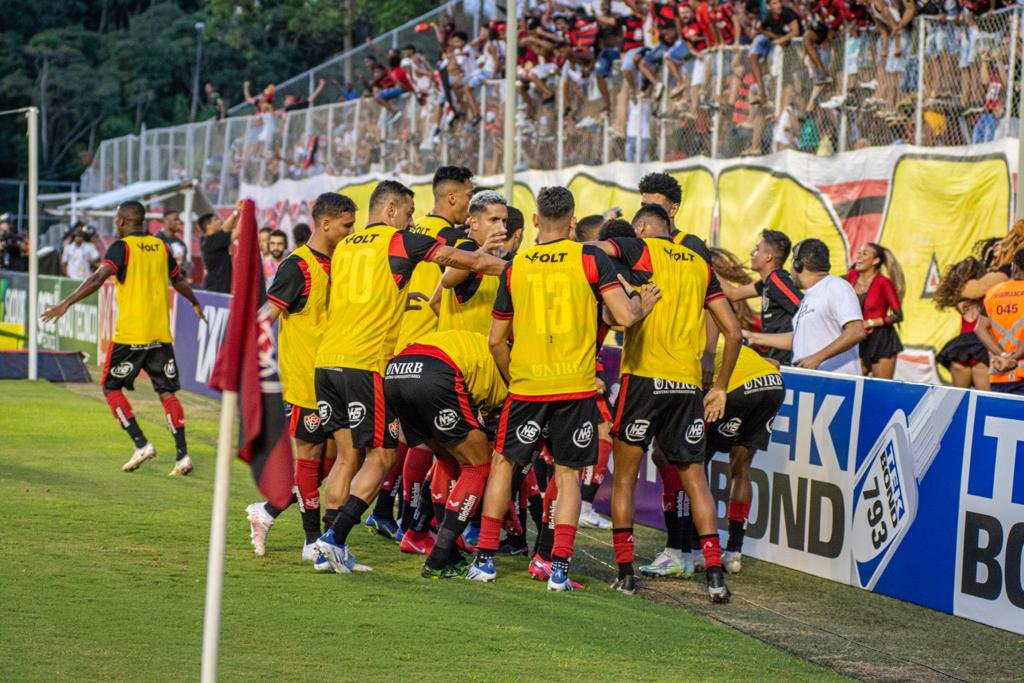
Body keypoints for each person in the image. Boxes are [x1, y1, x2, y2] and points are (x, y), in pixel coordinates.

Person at [466, 186, 659, 591]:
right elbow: (623, 317)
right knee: (568, 475)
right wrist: (645, 303)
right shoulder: (588, 257)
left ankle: (484, 560)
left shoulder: (517, 266)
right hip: (575, 386)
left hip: (528, 385)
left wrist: (512, 377)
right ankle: (558, 571)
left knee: (505, 463)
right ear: (573, 222)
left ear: (535, 221)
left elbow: (495, 340)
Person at [311, 180, 506, 574]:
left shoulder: (345, 245)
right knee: (381, 456)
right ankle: (332, 538)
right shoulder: (400, 241)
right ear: (391, 211)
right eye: (409, 214)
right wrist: (525, 271)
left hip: (326, 360)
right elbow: (472, 264)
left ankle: (326, 551)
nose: (412, 221)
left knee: (346, 457)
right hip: (365, 362)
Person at [597, 204, 743, 601]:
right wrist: (721, 387)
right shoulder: (699, 264)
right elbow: (734, 332)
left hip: (644, 378)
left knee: (624, 476)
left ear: (642, 226)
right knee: (695, 479)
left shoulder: (639, 250)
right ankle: (714, 575)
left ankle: (626, 573)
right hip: (685, 383)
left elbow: (592, 253)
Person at [40, 201, 206, 475]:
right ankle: (182, 456)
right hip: (160, 335)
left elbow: (96, 279)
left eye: (118, 220)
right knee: (167, 392)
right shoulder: (161, 246)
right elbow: (178, 281)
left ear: (123, 222)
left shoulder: (122, 247)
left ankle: (141, 444)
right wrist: (195, 302)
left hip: (131, 335)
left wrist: (66, 303)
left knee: (109, 387)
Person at [246, 192, 357, 561]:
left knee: (334, 462)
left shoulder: (343, 261)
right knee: (311, 459)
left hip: (337, 375)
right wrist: (257, 370)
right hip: (306, 380)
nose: (351, 231)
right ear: (325, 224)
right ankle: (312, 541)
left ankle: (268, 511)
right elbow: (266, 316)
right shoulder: (298, 266)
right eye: (347, 224)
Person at [385, 329, 509, 578]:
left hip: (397, 370)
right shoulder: (515, 380)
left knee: (446, 456)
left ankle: (448, 552)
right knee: (478, 467)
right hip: (438, 372)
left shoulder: (485, 345)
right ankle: (439, 558)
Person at [705, 344, 785, 575]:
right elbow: (775, 363)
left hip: (738, 388)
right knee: (741, 468)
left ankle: (697, 547)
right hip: (772, 383)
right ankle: (734, 553)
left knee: (697, 464)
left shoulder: (696, 334)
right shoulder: (725, 333)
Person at [744, 238, 866, 374]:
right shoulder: (809, 297)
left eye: (791, 263)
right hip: (812, 384)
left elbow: (856, 331)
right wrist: (753, 337)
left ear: (798, 265)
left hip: (836, 384)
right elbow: (798, 338)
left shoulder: (836, 285)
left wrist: (817, 358)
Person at [394, 165, 475, 352]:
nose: (471, 205)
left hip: (396, 343)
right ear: (452, 198)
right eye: (469, 196)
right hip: (427, 349)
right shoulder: (453, 240)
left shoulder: (410, 229)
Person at [720, 229, 803, 366]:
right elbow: (733, 294)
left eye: (757, 249)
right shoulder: (766, 282)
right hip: (778, 356)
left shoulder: (778, 279)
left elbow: (804, 308)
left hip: (790, 359)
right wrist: (705, 264)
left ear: (768, 257)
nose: (752, 253)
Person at [433, 191, 511, 336]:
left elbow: (434, 302)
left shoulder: (473, 251)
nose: (502, 228)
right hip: (466, 356)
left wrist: (452, 330)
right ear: (474, 223)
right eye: (494, 220)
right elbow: (447, 280)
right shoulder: (467, 249)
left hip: (465, 353)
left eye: (504, 221)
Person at [847, 242, 905, 378]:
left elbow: (898, 315)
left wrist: (869, 323)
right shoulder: (851, 277)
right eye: (859, 253)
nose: (859, 256)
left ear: (875, 261)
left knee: (881, 390)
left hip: (882, 341)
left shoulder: (883, 283)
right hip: (858, 339)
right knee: (853, 386)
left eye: (864, 253)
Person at [934, 255, 991, 390]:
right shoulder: (986, 293)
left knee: (958, 399)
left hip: (961, 347)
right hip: (982, 343)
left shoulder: (958, 298)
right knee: (986, 399)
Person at [975, 248, 1024, 395]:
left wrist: (1003, 356)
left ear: (1014, 268)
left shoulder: (993, 293)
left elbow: (979, 328)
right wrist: (1012, 359)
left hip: (999, 374)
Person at [200, 204, 242, 293]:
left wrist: (236, 212)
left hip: (213, 285)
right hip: (218, 287)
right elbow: (238, 231)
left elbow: (225, 228)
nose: (219, 221)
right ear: (208, 226)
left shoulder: (205, 239)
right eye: (215, 220)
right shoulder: (214, 240)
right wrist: (246, 213)